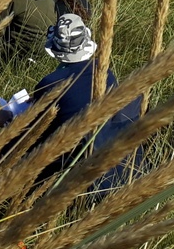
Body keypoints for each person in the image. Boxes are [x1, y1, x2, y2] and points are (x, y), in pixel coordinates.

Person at [30, 14, 142, 186]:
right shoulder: (105, 74)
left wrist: (10, 121)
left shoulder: (49, 83)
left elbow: (34, 135)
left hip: (79, 179)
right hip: (125, 173)